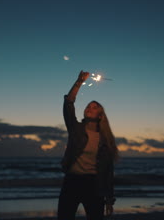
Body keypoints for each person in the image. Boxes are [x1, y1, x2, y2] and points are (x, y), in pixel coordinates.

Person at [57, 70, 119, 220]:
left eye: (94, 107)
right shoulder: (75, 129)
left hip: (93, 185)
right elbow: (69, 104)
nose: (89, 108)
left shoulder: (105, 140)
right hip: (72, 181)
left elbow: (108, 172)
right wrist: (79, 82)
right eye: (88, 106)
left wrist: (109, 200)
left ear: (100, 115)